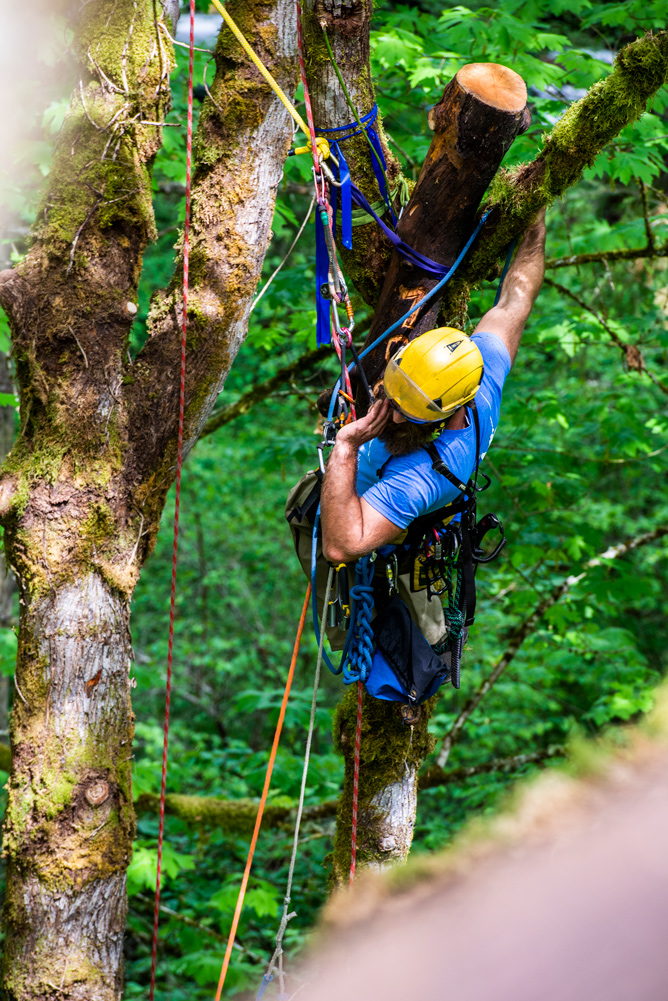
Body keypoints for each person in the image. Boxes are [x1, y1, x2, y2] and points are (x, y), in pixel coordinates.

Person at [286, 208, 546, 695]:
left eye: (408, 412)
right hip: (382, 497)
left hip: (386, 539)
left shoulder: (423, 475)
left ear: (446, 416)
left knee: (386, 649)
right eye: (391, 393)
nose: (391, 413)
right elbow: (517, 296)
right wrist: (534, 215)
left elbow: (344, 544)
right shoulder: (478, 369)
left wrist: (345, 446)